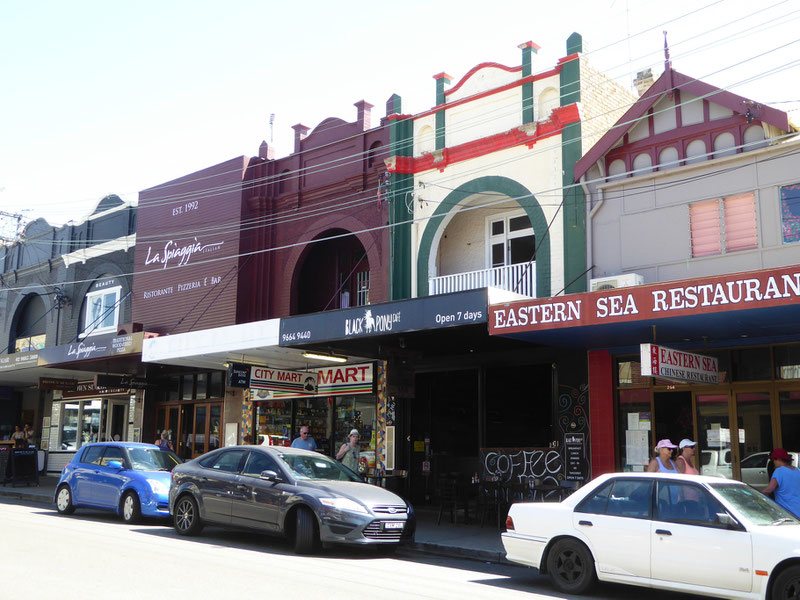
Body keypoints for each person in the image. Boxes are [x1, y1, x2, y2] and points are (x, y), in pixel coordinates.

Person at [762, 448, 800, 518]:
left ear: (778, 459)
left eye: (773, 460)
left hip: (787, 513)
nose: (773, 462)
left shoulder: (779, 471)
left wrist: (757, 496)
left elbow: (769, 489)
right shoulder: (797, 471)